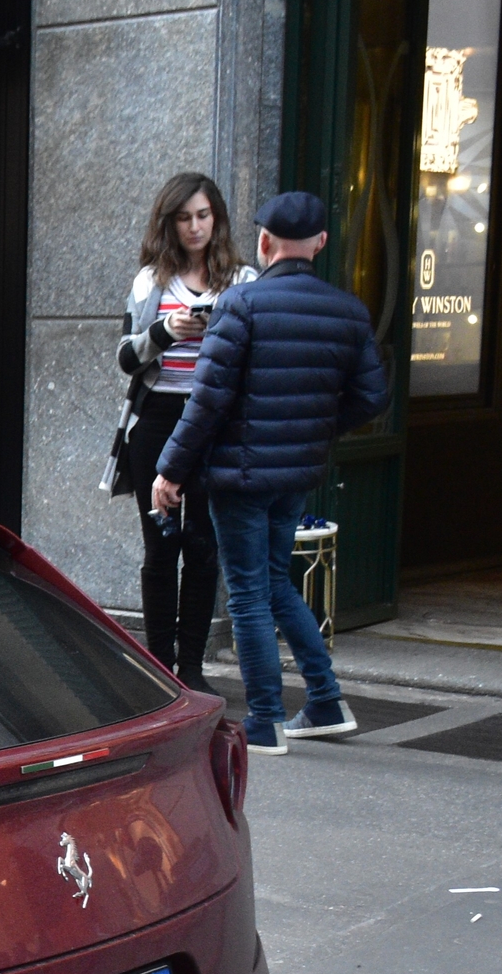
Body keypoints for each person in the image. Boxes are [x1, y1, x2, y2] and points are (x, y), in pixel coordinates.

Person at [154, 192, 388, 755]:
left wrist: (170, 471)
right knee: (277, 582)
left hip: (240, 474)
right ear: (321, 245)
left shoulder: (242, 305)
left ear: (264, 242)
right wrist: (315, 429)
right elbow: (372, 398)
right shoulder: (348, 311)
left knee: (250, 594)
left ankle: (264, 718)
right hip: (295, 472)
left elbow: (207, 403)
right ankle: (326, 700)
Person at [104, 172, 258, 690]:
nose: (195, 227)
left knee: (203, 546)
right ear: (169, 223)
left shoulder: (242, 281)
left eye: (203, 216)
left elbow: (256, 359)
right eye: (184, 218)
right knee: (159, 548)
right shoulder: (151, 281)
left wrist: (219, 330)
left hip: (215, 422)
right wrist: (167, 331)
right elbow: (127, 357)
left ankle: (192, 669)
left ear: (217, 219)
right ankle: (157, 667)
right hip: (158, 420)